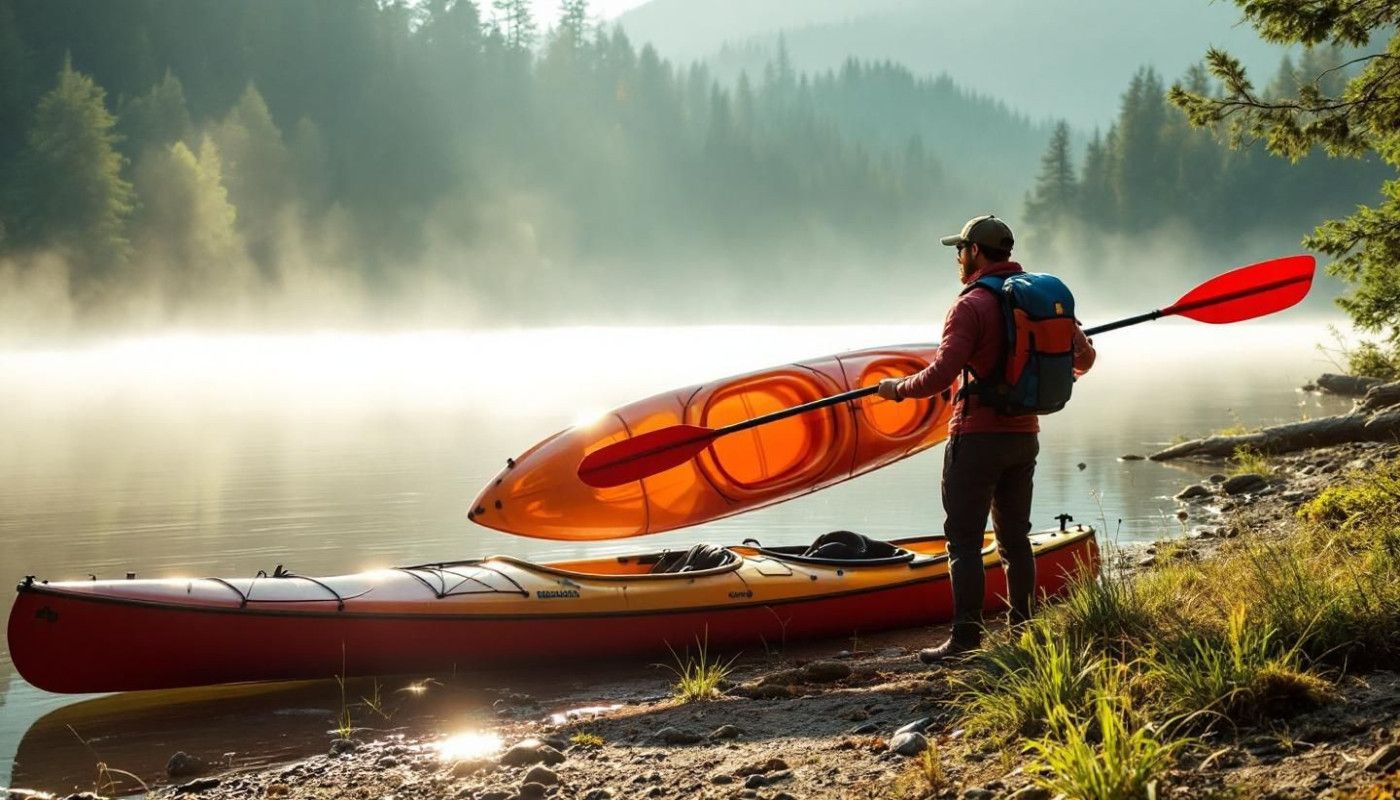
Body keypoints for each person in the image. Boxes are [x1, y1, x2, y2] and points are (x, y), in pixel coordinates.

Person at [876, 214, 1096, 663]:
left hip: (975, 439)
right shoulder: (1037, 298)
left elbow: (941, 373)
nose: (958, 257)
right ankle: (1024, 631)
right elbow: (1085, 358)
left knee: (964, 540)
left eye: (960, 249)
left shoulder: (970, 304)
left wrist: (897, 390)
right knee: (1015, 539)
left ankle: (965, 640)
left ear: (975, 252)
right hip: (1025, 437)